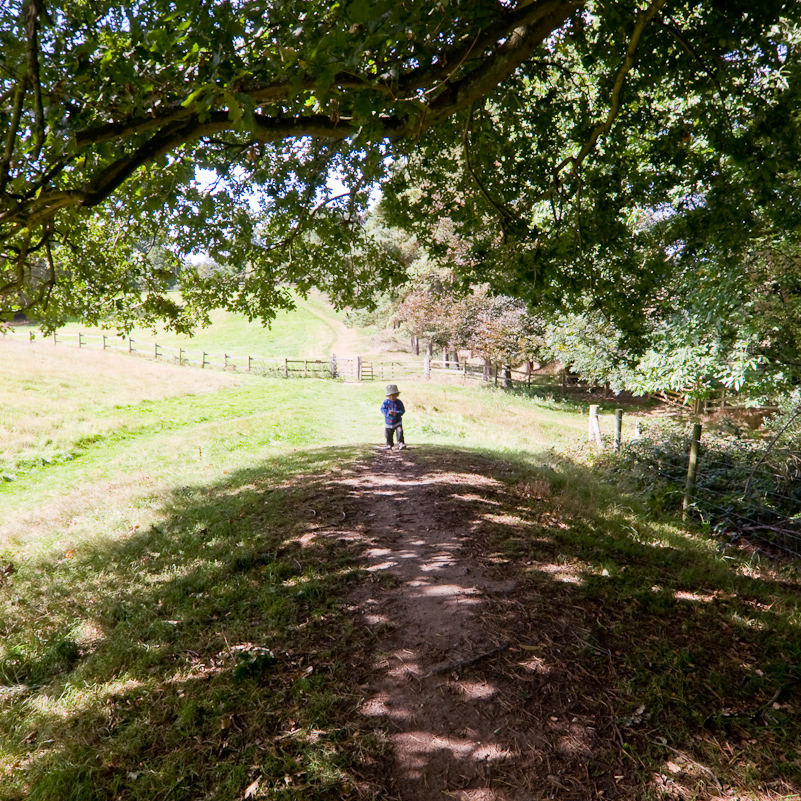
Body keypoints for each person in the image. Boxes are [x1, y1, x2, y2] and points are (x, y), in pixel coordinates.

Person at [380, 384, 406, 450]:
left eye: (394, 395)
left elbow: (402, 410)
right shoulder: (386, 402)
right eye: (390, 395)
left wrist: (397, 413)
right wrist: (388, 413)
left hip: (397, 421)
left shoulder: (399, 402)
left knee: (399, 431)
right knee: (388, 434)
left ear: (397, 395)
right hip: (388, 422)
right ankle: (389, 444)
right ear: (388, 396)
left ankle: (400, 443)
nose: (392, 397)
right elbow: (383, 409)